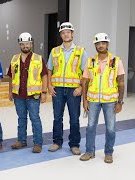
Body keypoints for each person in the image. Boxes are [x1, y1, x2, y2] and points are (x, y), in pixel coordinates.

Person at [80, 33, 125, 163]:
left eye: (103, 43)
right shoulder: (90, 61)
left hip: (110, 101)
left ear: (107, 44)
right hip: (93, 100)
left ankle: (108, 152)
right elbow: (85, 82)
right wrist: (84, 101)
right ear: (95, 45)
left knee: (110, 128)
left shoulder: (116, 61)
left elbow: (121, 82)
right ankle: (89, 152)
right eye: (98, 43)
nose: (101, 45)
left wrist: (120, 102)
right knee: (90, 127)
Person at [47, 22, 88, 155]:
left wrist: (81, 88)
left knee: (74, 118)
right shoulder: (54, 51)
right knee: (57, 117)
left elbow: (86, 73)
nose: (66, 34)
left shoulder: (80, 51)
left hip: (74, 90)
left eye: (68, 32)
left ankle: (74, 144)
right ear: (61, 35)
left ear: (72, 34)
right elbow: (49, 70)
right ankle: (57, 142)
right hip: (57, 89)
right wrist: (49, 85)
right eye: (63, 32)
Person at [7, 33, 48, 153]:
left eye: (27, 44)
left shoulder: (38, 58)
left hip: (33, 95)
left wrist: (44, 92)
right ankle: (21, 141)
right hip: (18, 95)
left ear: (31, 44)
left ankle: (38, 143)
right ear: (20, 45)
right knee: (21, 119)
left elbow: (44, 76)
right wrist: (10, 91)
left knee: (35, 119)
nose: (25, 46)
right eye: (23, 44)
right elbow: (11, 77)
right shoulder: (14, 59)